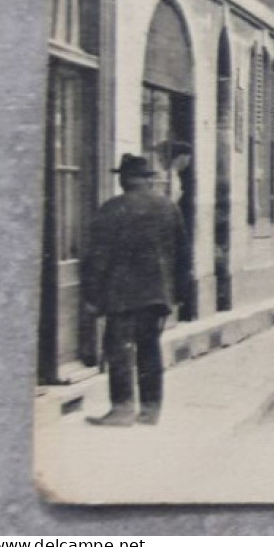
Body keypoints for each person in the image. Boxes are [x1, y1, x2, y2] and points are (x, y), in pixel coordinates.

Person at [80, 154, 189, 426]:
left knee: (119, 348)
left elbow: (97, 257)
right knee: (149, 348)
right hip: (156, 294)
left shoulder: (112, 209)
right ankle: (151, 409)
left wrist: (92, 296)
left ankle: (122, 408)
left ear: (123, 179)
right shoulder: (168, 208)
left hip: (121, 295)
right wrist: (179, 295)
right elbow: (183, 254)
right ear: (148, 179)